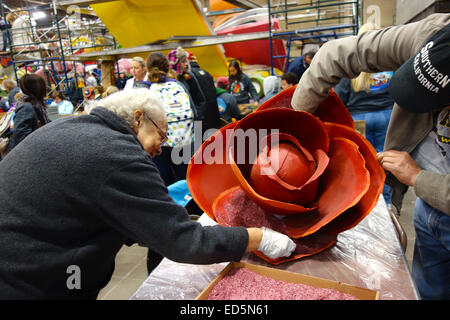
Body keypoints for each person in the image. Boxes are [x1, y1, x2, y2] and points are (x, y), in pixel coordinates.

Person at [0, 88, 296, 299]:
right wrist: (258, 237)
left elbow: (100, 208)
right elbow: (185, 243)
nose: (160, 148)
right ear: (139, 118)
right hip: (33, 282)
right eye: (162, 135)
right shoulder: (117, 155)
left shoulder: (71, 130)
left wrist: (163, 218)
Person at [291, 13, 450, 300]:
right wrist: (297, 122)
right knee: (427, 290)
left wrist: (417, 177)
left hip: (436, 189)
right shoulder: (432, 32)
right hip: (428, 207)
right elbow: (335, 54)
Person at [333, 23, 395, 207]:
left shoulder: (351, 66)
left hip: (359, 119)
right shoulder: (391, 62)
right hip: (387, 116)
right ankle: (388, 203)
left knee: (365, 162)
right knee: (387, 160)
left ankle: (368, 203)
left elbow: (339, 98)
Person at [3, 73, 49, 155]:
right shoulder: (27, 107)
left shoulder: (36, 104)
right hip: (24, 154)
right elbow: (21, 135)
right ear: (38, 88)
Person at [168, 47, 206, 126]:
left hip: (196, 120)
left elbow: (200, 98)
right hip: (179, 123)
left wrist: (197, 116)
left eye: (186, 61)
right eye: (183, 62)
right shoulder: (169, 81)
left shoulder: (189, 77)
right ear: (176, 64)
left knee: (198, 138)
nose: (186, 64)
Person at [188, 52, 222, 133]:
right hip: (214, 116)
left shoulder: (189, 76)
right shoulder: (207, 73)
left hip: (201, 119)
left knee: (200, 144)